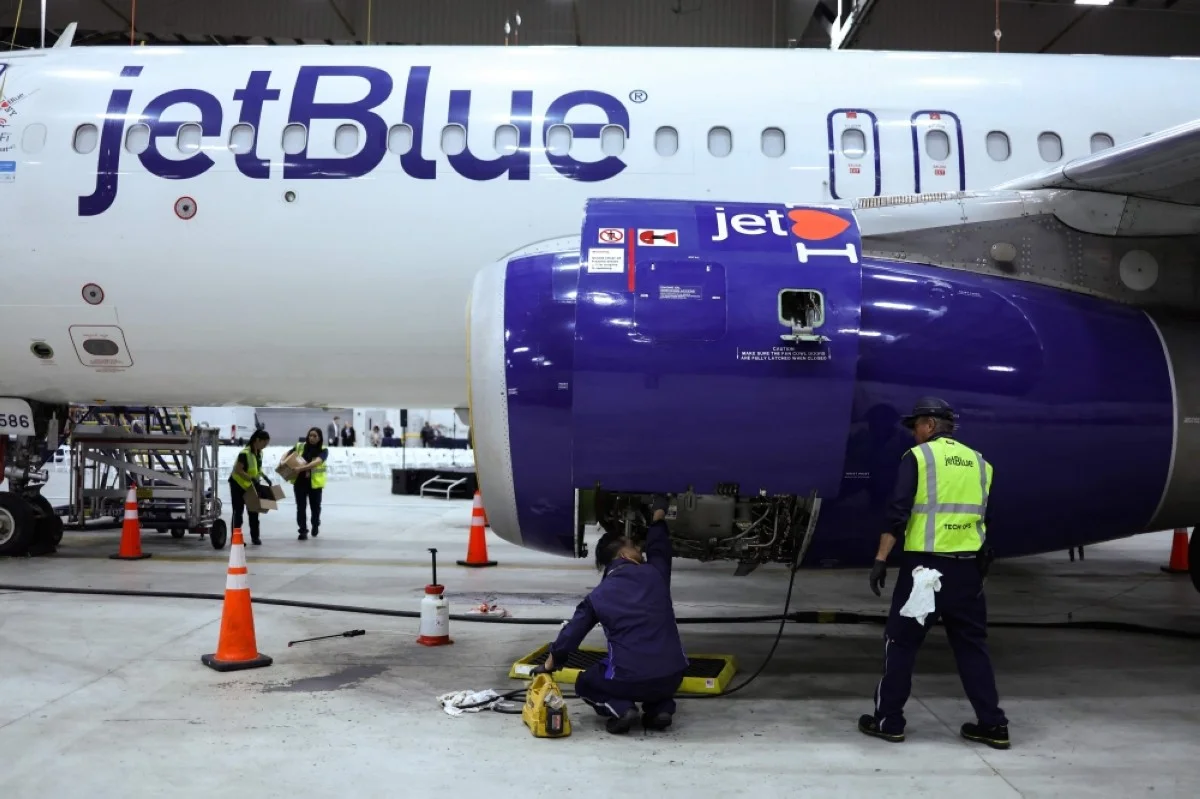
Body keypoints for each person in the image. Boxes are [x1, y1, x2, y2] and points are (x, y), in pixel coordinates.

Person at [858, 397, 1009, 749]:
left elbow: (898, 510)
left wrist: (881, 558)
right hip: (967, 569)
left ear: (928, 424)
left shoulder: (919, 458)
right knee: (972, 647)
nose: (913, 434)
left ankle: (889, 721)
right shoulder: (980, 463)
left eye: (915, 427)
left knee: (901, 642)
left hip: (925, 571)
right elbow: (987, 520)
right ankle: (993, 725)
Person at [538, 496, 688, 734]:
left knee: (585, 682)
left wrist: (550, 663)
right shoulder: (656, 574)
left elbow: (571, 636)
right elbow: (660, 546)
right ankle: (661, 709)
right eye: (633, 545)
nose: (639, 548)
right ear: (623, 555)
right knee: (655, 674)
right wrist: (659, 514)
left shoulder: (597, 597)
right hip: (673, 676)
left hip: (629, 679)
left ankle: (621, 708)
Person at [283, 427, 328, 540]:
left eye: (315, 436)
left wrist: (302, 468)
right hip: (300, 482)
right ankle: (303, 530)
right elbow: (287, 453)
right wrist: (283, 461)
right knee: (301, 507)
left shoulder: (323, 450)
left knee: (315, 508)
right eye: (310, 435)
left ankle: (315, 523)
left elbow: (317, 462)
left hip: (315, 484)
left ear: (320, 438)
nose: (312, 438)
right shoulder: (300, 446)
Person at [229, 429, 271, 546]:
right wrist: (250, 478)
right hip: (238, 485)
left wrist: (265, 477)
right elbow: (238, 470)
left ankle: (255, 537)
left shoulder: (259, 453)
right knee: (238, 512)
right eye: (264, 444)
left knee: (254, 511)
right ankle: (236, 538)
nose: (264, 447)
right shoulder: (245, 453)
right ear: (257, 440)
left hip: (251, 485)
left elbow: (257, 469)